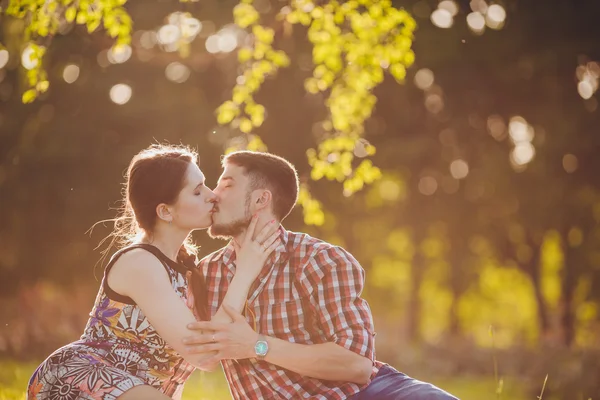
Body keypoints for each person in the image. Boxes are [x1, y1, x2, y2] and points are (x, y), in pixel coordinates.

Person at [183, 150, 459, 400]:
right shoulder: (206, 274)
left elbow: (358, 365)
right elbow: (198, 357)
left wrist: (256, 345)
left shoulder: (319, 260)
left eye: (227, 184)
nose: (213, 194)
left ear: (260, 199)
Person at [27, 144, 280, 400]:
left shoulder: (188, 271)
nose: (212, 195)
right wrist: (246, 271)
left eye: (205, 184)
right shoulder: (140, 263)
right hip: (84, 378)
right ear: (165, 211)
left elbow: (210, 353)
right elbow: (202, 354)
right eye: (196, 191)